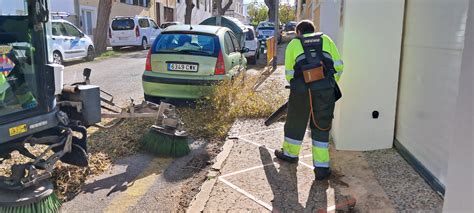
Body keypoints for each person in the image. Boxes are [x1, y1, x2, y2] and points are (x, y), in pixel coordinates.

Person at [274, 20, 344, 180]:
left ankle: (290, 155)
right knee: (322, 124)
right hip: (324, 90)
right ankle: (321, 168)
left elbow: (289, 74)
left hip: (301, 90)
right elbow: (339, 66)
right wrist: (327, 84)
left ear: (299, 32)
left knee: (295, 121)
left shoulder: (293, 44)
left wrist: (300, 86)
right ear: (313, 30)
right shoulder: (326, 40)